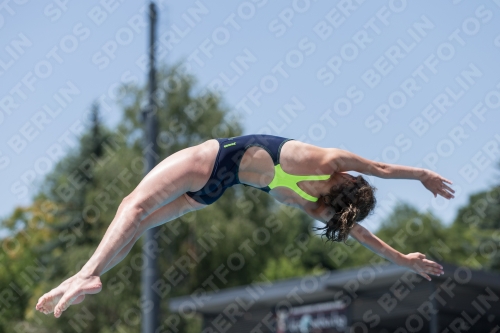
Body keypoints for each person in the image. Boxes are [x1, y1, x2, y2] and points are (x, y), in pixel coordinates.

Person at [35, 134, 454, 318]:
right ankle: (85, 277)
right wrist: (401, 259)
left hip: (211, 161)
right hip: (214, 191)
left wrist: (422, 174)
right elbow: (360, 234)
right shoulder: (314, 205)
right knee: (140, 225)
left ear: (351, 182)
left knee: (133, 205)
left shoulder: (330, 163)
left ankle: (87, 274)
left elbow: (379, 167)